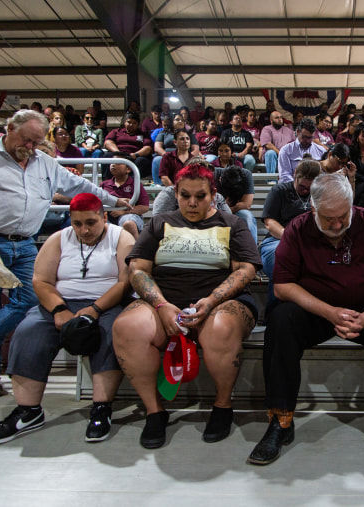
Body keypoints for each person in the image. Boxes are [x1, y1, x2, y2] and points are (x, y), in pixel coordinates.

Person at [0, 109, 130, 398]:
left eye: (36, 142)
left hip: (26, 242)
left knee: (30, 298)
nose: (30, 148)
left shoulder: (44, 162)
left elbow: (79, 185)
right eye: (27, 140)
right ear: (9, 129)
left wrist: (113, 199)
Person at [247, 173, 364, 465]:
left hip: (363, 310)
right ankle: (281, 420)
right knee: (281, 321)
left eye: (344, 215)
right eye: (329, 218)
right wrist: (329, 312)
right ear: (313, 209)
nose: (338, 224)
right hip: (316, 311)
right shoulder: (297, 228)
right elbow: (282, 286)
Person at [112, 164, 261, 449]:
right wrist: (161, 305)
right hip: (165, 300)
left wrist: (213, 299)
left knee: (220, 327)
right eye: (185, 196)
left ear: (213, 194)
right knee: (127, 326)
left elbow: (246, 270)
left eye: (200, 196)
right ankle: (155, 412)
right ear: (176, 194)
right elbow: (138, 270)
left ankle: (222, 406)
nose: (192, 203)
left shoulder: (233, 224)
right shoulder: (159, 223)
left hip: (221, 300)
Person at [0, 193, 135, 445]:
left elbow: (125, 282)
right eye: (77, 224)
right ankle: (28, 410)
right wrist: (59, 309)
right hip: (61, 303)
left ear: (103, 217)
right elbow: (41, 280)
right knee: (29, 330)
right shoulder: (58, 239)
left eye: (90, 223)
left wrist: (95, 309)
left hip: (107, 303)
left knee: (112, 330)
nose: (83, 230)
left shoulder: (121, 237)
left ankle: (101, 407)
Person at [259, 160, 321, 316]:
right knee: (281, 257)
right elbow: (270, 223)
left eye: (310, 188)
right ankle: (275, 316)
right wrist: (292, 238)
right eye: (302, 187)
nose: (306, 191)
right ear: (295, 176)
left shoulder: (319, 195)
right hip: (277, 240)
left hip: (310, 243)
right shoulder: (279, 191)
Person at [99, 153, 150, 239]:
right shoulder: (104, 184)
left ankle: (136, 250)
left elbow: (144, 207)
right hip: (107, 216)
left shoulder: (136, 184)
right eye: (112, 162)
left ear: (128, 169)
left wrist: (123, 212)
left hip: (129, 215)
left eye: (118, 163)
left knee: (128, 223)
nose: (113, 165)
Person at [214, 165, 257, 243]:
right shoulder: (214, 174)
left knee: (246, 216)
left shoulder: (246, 175)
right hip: (216, 211)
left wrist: (227, 209)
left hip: (234, 210)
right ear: (220, 179)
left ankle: (252, 248)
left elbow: (246, 204)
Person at [103, 112, 153, 179]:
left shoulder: (143, 134)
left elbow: (148, 148)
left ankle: (130, 182)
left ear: (138, 124)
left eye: (134, 123)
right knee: (107, 156)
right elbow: (108, 142)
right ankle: (107, 182)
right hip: (118, 155)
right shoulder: (116, 131)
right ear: (124, 122)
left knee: (142, 161)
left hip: (134, 157)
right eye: (129, 122)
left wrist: (136, 154)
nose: (131, 125)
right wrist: (119, 153)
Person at [278, 118, 327, 183]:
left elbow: (325, 174)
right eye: (304, 137)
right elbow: (284, 176)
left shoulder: (321, 151)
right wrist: (300, 186)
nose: (307, 140)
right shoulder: (286, 150)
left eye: (310, 138)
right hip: (292, 189)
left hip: (315, 189)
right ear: (298, 132)